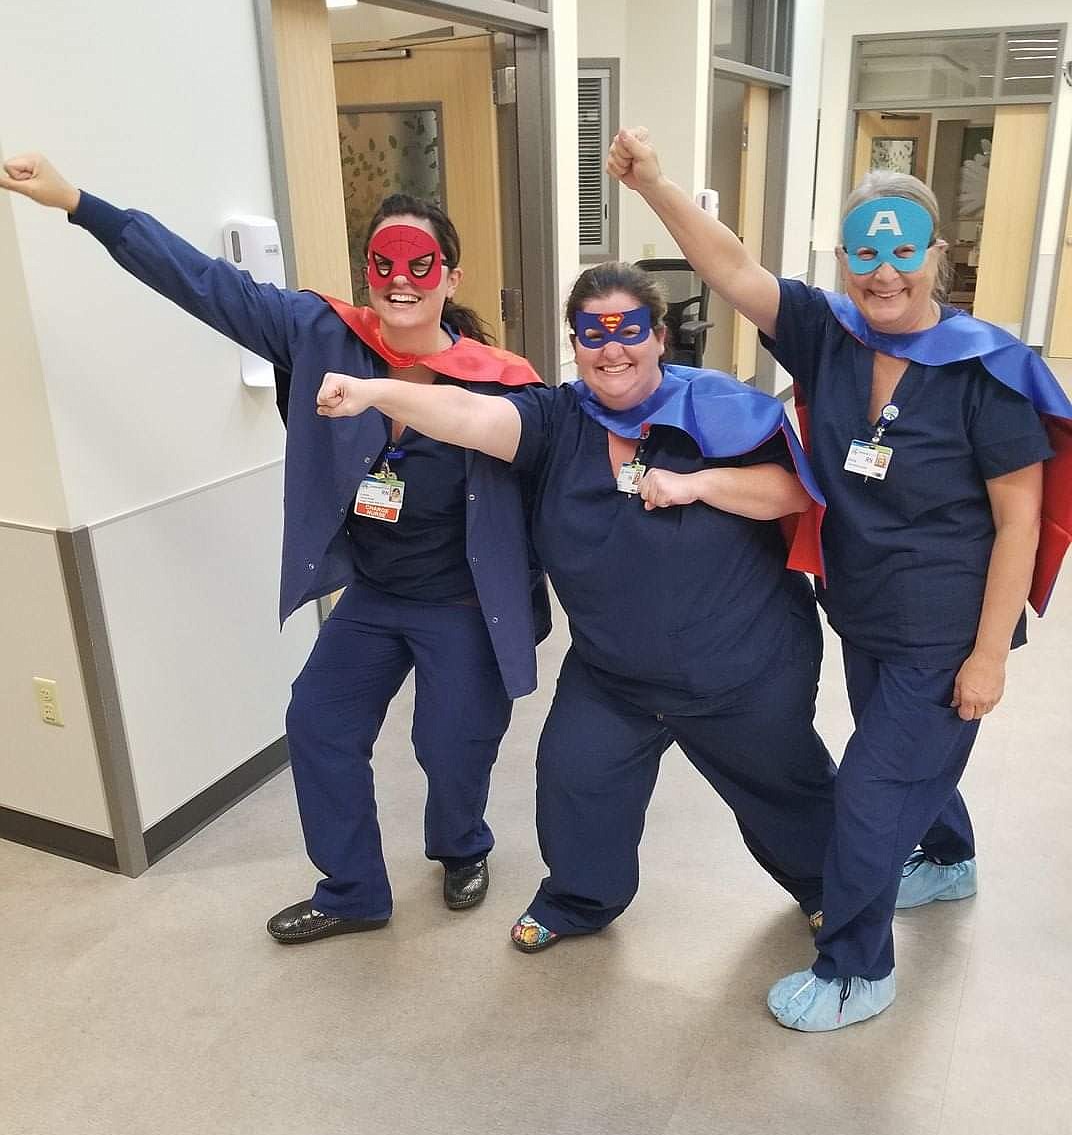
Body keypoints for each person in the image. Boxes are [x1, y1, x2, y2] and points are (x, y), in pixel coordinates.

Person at [0, 153, 549, 942]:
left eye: (420, 265)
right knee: (319, 721)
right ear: (368, 272)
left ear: (450, 279)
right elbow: (200, 283)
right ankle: (353, 890)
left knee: (450, 746)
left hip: (463, 603)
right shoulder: (321, 333)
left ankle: (461, 845)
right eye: (384, 264)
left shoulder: (500, 381)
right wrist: (77, 203)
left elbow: (551, 484)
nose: (401, 281)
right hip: (375, 594)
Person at [607, 128, 1072, 1030]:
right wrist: (657, 187)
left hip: (944, 628)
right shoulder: (832, 336)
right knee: (904, 769)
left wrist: (989, 658)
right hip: (863, 614)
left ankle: (858, 968)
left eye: (904, 252)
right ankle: (948, 857)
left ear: (938, 254)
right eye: (867, 252)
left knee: (866, 793)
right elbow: (735, 270)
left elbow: (1020, 520)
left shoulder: (990, 373)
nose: (884, 272)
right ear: (844, 256)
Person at [314, 261, 841, 954]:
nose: (611, 349)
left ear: (659, 337)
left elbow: (795, 494)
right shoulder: (559, 420)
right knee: (574, 780)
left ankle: (832, 893)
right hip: (615, 675)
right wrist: (373, 391)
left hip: (739, 666)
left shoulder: (718, 405)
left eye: (628, 330)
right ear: (574, 342)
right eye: (593, 333)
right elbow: (472, 414)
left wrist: (700, 484)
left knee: (788, 793)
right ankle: (580, 899)